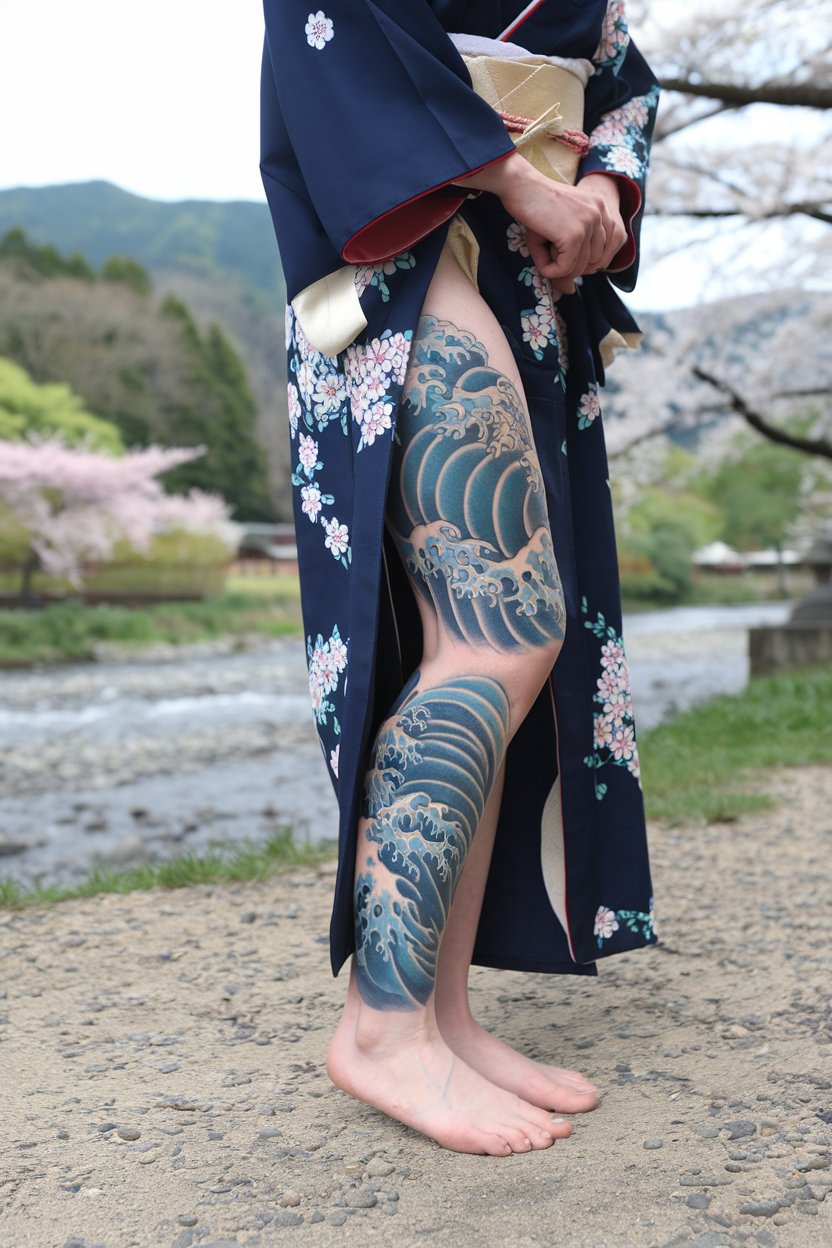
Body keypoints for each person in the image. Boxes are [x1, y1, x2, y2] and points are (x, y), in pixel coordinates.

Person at [260, 0, 660, 1156]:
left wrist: (600, 195)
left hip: (524, 269)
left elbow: (621, 78)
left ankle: (438, 1013)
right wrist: (515, 179)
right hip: (402, 238)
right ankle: (382, 1028)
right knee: (499, 632)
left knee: (495, 651)